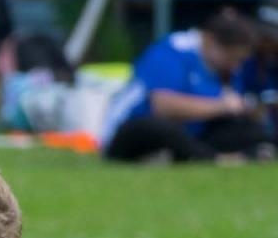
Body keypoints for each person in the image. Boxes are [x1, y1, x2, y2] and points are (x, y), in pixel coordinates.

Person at [101, 10, 272, 162]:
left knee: (242, 126)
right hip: (132, 131)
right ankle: (220, 159)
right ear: (210, 40)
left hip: (189, 135)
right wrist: (222, 106)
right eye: (231, 58)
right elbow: (162, 106)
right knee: (160, 128)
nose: (235, 66)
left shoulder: (226, 70)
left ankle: (262, 149)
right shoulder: (173, 51)